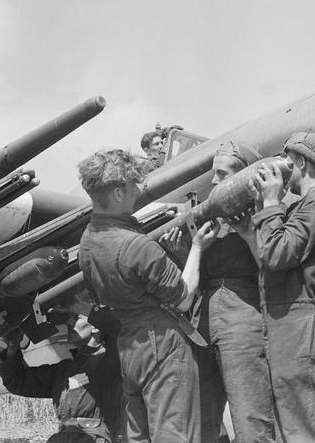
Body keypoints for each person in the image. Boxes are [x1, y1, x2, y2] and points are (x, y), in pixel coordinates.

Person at [76, 149, 217, 442]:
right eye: (132, 186)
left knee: (138, 434)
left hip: (130, 345)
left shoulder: (87, 241)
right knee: (175, 433)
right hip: (163, 342)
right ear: (117, 193)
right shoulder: (138, 246)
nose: (138, 190)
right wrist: (197, 248)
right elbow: (183, 297)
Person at [164, 140, 275, 442]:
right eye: (214, 174)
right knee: (202, 418)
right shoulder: (208, 216)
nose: (214, 181)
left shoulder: (265, 214)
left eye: (223, 174)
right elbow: (192, 283)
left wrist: (248, 232)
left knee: (251, 417)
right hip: (203, 322)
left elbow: (274, 266)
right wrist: (183, 252)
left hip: (243, 319)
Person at [243, 132, 315, 442]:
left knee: (314, 428)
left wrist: (272, 201)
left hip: (305, 331)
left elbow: (277, 254)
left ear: (301, 162)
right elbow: (274, 258)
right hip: (296, 329)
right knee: (297, 424)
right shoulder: (312, 205)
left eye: (287, 161)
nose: (282, 169)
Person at [0, 314, 120, 443]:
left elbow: (121, 326)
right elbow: (18, 381)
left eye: (76, 317)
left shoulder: (112, 362)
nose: (68, 323)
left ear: (96, 327)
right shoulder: (64, 370)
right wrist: (13, 348)